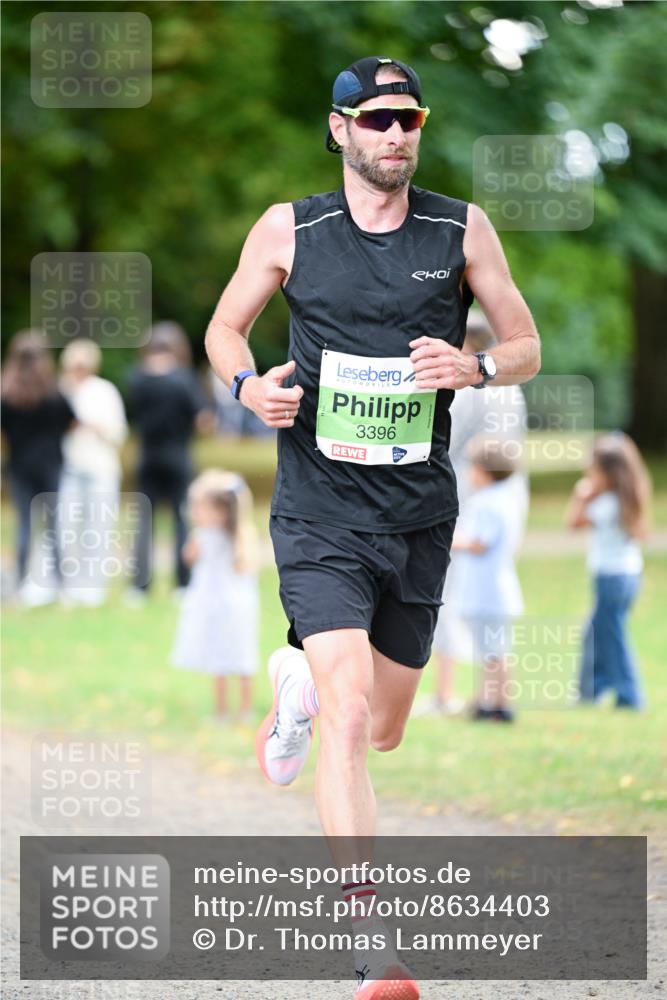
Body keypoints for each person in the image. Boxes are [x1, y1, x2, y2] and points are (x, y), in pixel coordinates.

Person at [205, 56, 540, 999]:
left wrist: (475, 370)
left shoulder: (460, 228)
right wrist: (245, 386)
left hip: (419, 514)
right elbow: (223, 330)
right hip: (317, 510)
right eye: (379, 118)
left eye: (411, 118)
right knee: (350, 716)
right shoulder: (289, 228)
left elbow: (524, 344)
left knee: (385, 727)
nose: (398, 133)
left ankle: (293, 680)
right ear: (340, 127)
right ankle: (371, 942)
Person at [415, 311, 529, 717]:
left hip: (465, 497)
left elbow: (444, 441)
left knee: (446, 594)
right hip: (507, 495)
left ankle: (446, 692)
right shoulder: (511, 389)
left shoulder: (468, 389)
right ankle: (479, 693)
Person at [126, 322, 213, 599]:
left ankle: (139, 588)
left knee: (144, 523)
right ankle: (183, 584)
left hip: (147, 457)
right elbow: (205, 420)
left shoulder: (136, 377)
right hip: (178, 457)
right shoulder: (184, 379)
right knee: (181, 521)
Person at [566, 432, 650, 709]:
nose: (588, 473)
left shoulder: (606, 503)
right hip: (627, 575)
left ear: (608, 472)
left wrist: (581, 495)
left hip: (611, 578)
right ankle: (590, 691)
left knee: (611, 636)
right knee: (595, 632)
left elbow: (573, 523)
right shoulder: (625, 499)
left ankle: (629, 695)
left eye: (593, 469)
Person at [171, 469, 259, 721]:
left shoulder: (204, 536)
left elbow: (188, 557)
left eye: (199, 507)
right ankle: (243, 709)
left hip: (216, 603)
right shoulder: (243, 536)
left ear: (220, 511)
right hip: (240, 604)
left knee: (221, 659)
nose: (194, 513)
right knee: (241, 655)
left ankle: (225, 711)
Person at [452, 435, 525, 722]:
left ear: (484, 470)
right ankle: (486, 699)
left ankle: (500, 703)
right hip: (494, 590)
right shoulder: (507, 499)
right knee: (490, 650)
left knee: (494, 651)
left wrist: (447, 540)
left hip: (489, 593)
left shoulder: (487, 503)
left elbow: (479, 542)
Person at [0, 330, 75, 605]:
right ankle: (62, 588)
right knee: (54, 526)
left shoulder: (6, 395)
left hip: (19, 466)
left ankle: (19, 586)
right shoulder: (54, 393)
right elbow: (71, 423)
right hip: (50, 465)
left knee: (23, 525)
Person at [59, 338, 128, 606]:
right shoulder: (61, 391)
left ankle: (93, 589)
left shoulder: (104, 391)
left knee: (97, 529)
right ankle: (68, 588)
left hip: (100, 469)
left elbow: (119, 432)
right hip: (69, 468)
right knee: (67, 528)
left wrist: (97, 427)